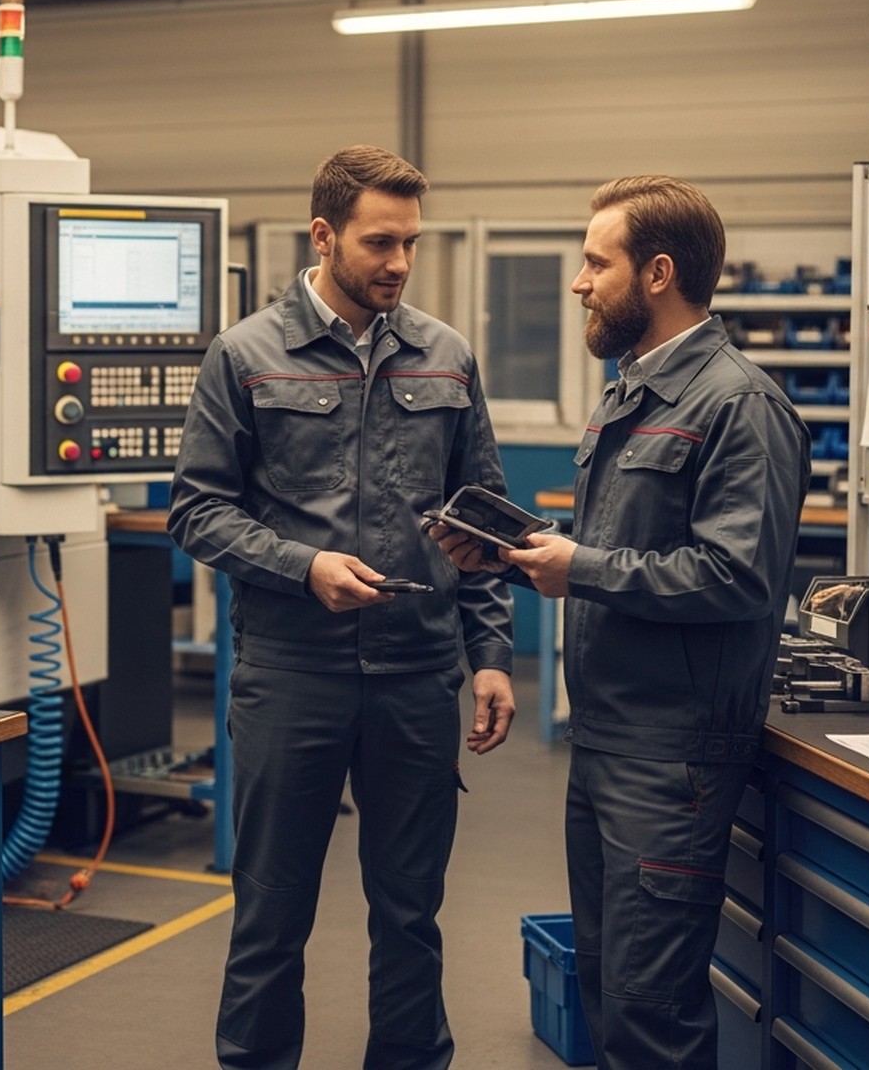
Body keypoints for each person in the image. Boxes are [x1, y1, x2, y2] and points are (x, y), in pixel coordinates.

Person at [431, 175, 809, 1070]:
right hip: (609, 739)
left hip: (672, 755)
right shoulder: (633, 393)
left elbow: (739, 576)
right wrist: (518, 558)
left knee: (650, 1017)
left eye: (596, 263)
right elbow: (624, 555)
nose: (579, 282)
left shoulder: (739, 406)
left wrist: (582, 568)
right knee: (608, 995)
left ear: (658, 273)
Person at [169, 145, 517, 1070]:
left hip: (417, 674)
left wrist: (489, 655)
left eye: (411, 243)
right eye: (379, 243)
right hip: (292, 676)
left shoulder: (447, 356)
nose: (399, 263)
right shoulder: (245, 354)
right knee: (270, 914)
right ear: (323, 236)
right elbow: (196, 511)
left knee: (411, 915)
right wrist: (302, 566)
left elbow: (481, 521)